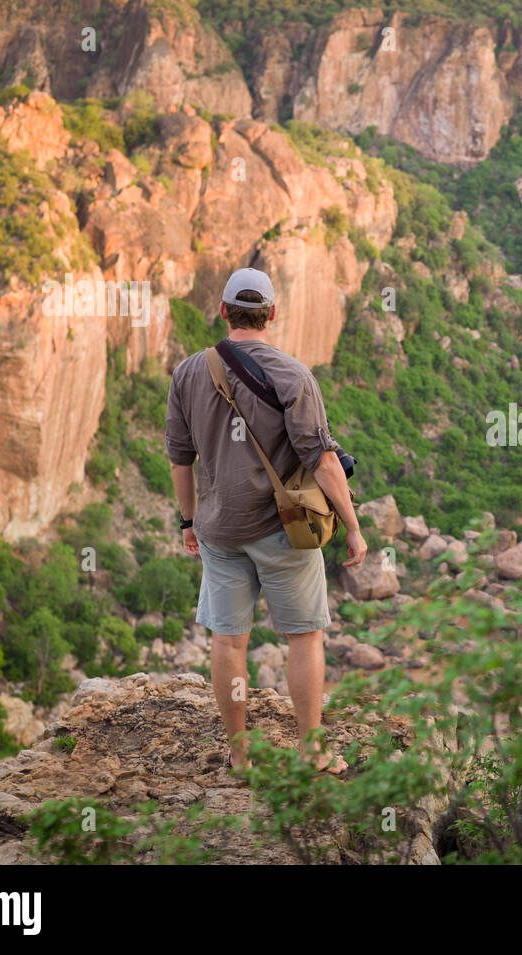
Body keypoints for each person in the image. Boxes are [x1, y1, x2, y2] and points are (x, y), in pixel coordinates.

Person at [164, 267, 366, 775]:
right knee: (304, 636)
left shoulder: (188, 372)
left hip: (220, 531)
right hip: (285, 530)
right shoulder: (293, 375)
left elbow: (179, 458)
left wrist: (187, 521)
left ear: (223, 312)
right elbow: (322, 461)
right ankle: (314, 750)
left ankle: (239, 753)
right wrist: (355, 528)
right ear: (272, 314)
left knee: (229, 640)